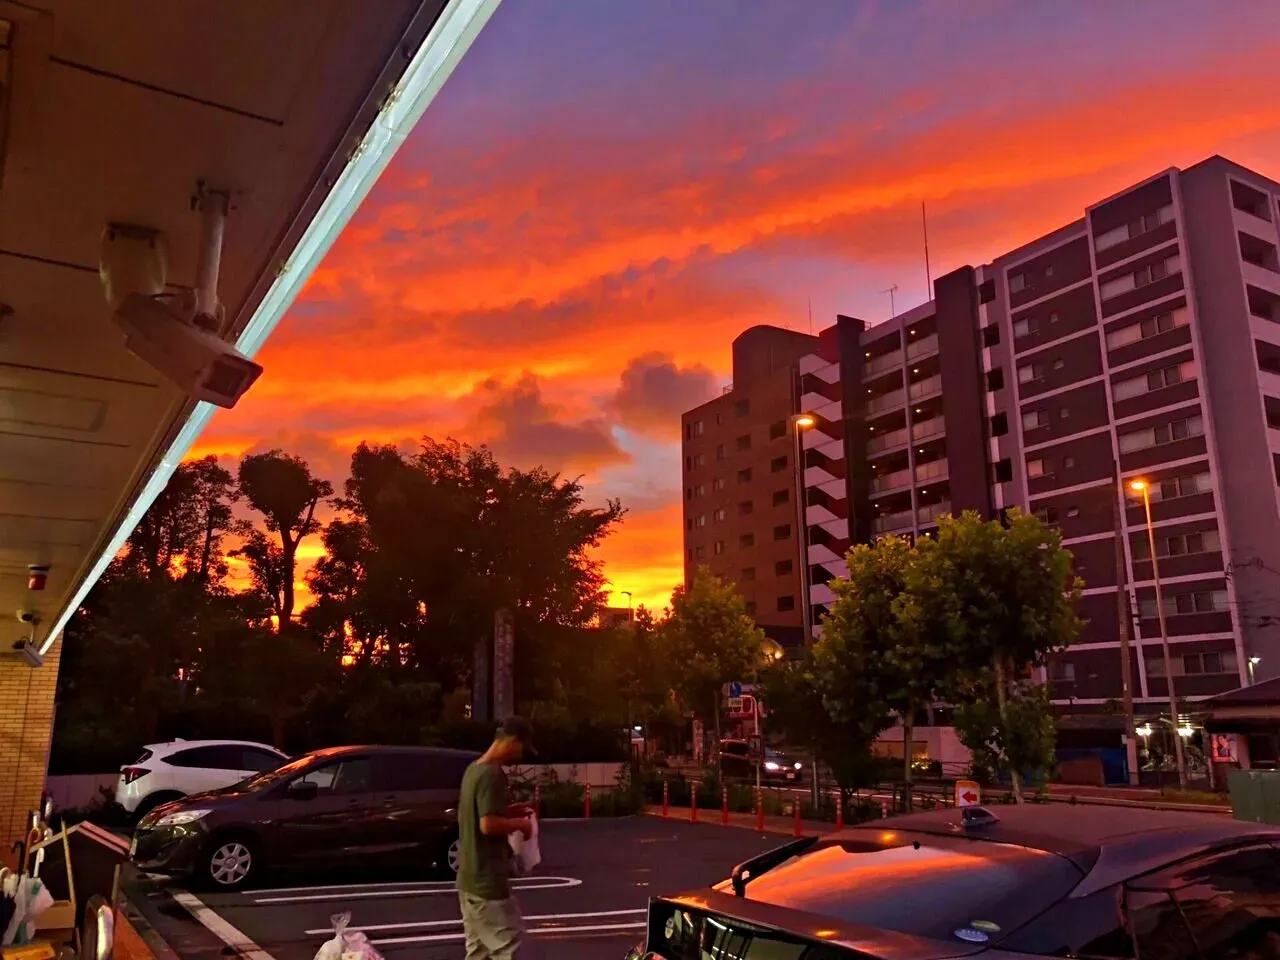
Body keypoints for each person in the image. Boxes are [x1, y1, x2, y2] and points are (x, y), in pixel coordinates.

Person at [456, 716, 536, 959]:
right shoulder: (492, 775)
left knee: (479, 952)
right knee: (509, 945)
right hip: (487, 880)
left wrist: (508, 812)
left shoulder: (474, 769)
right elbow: (488, 824)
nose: (521, 754)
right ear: (512, 741)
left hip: (468, 879)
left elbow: (476, 813)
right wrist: (520, 824)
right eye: (522, 747)